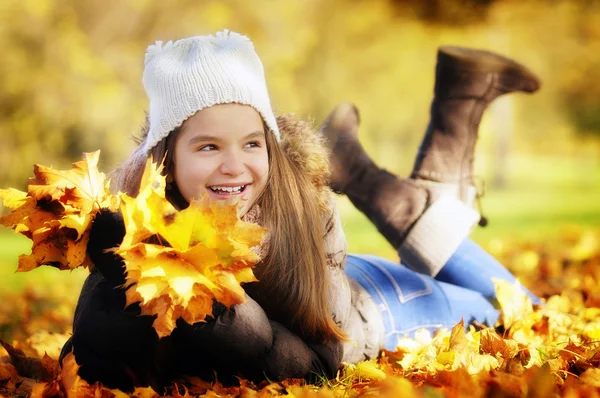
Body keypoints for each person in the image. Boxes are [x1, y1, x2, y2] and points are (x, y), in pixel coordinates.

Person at [59, 30, 542, 393]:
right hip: (345, 283)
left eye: (252, 143)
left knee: (520, 311)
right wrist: (125, 272)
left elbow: (326, 358)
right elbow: (97, 354)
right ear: (167, 157)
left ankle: (375, 176)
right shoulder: (143, 225)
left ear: (270, 145)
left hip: (379, 308)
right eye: (207, 146)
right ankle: (436, 120)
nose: (234, 165)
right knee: (507, 298)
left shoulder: (302, 207)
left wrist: (217, 307)